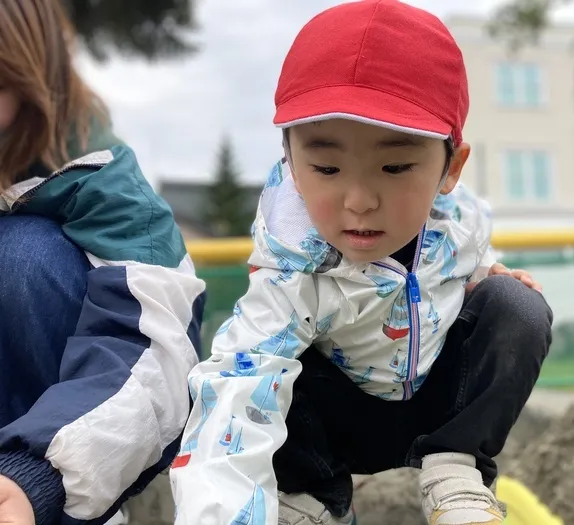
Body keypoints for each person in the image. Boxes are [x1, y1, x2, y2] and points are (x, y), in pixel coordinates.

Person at [170, 1, 552, 524]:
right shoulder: (292, 272)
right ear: (291, 164)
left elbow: (475, 262)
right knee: (264, 372)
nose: (359, 200)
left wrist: (489, 279)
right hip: (336, 426)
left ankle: (456, 468)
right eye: (326, 167)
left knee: (519, 307)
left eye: (394, 166)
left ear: (451, 168)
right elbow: (238, 387)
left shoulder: (458, 222)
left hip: (434, 412)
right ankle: (311, 499)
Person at [0, 1, 206, 525]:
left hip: (47, 455)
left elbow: (155, 341)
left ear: (30, 83)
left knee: (24, 255)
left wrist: (42, 475)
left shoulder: (94, 172)